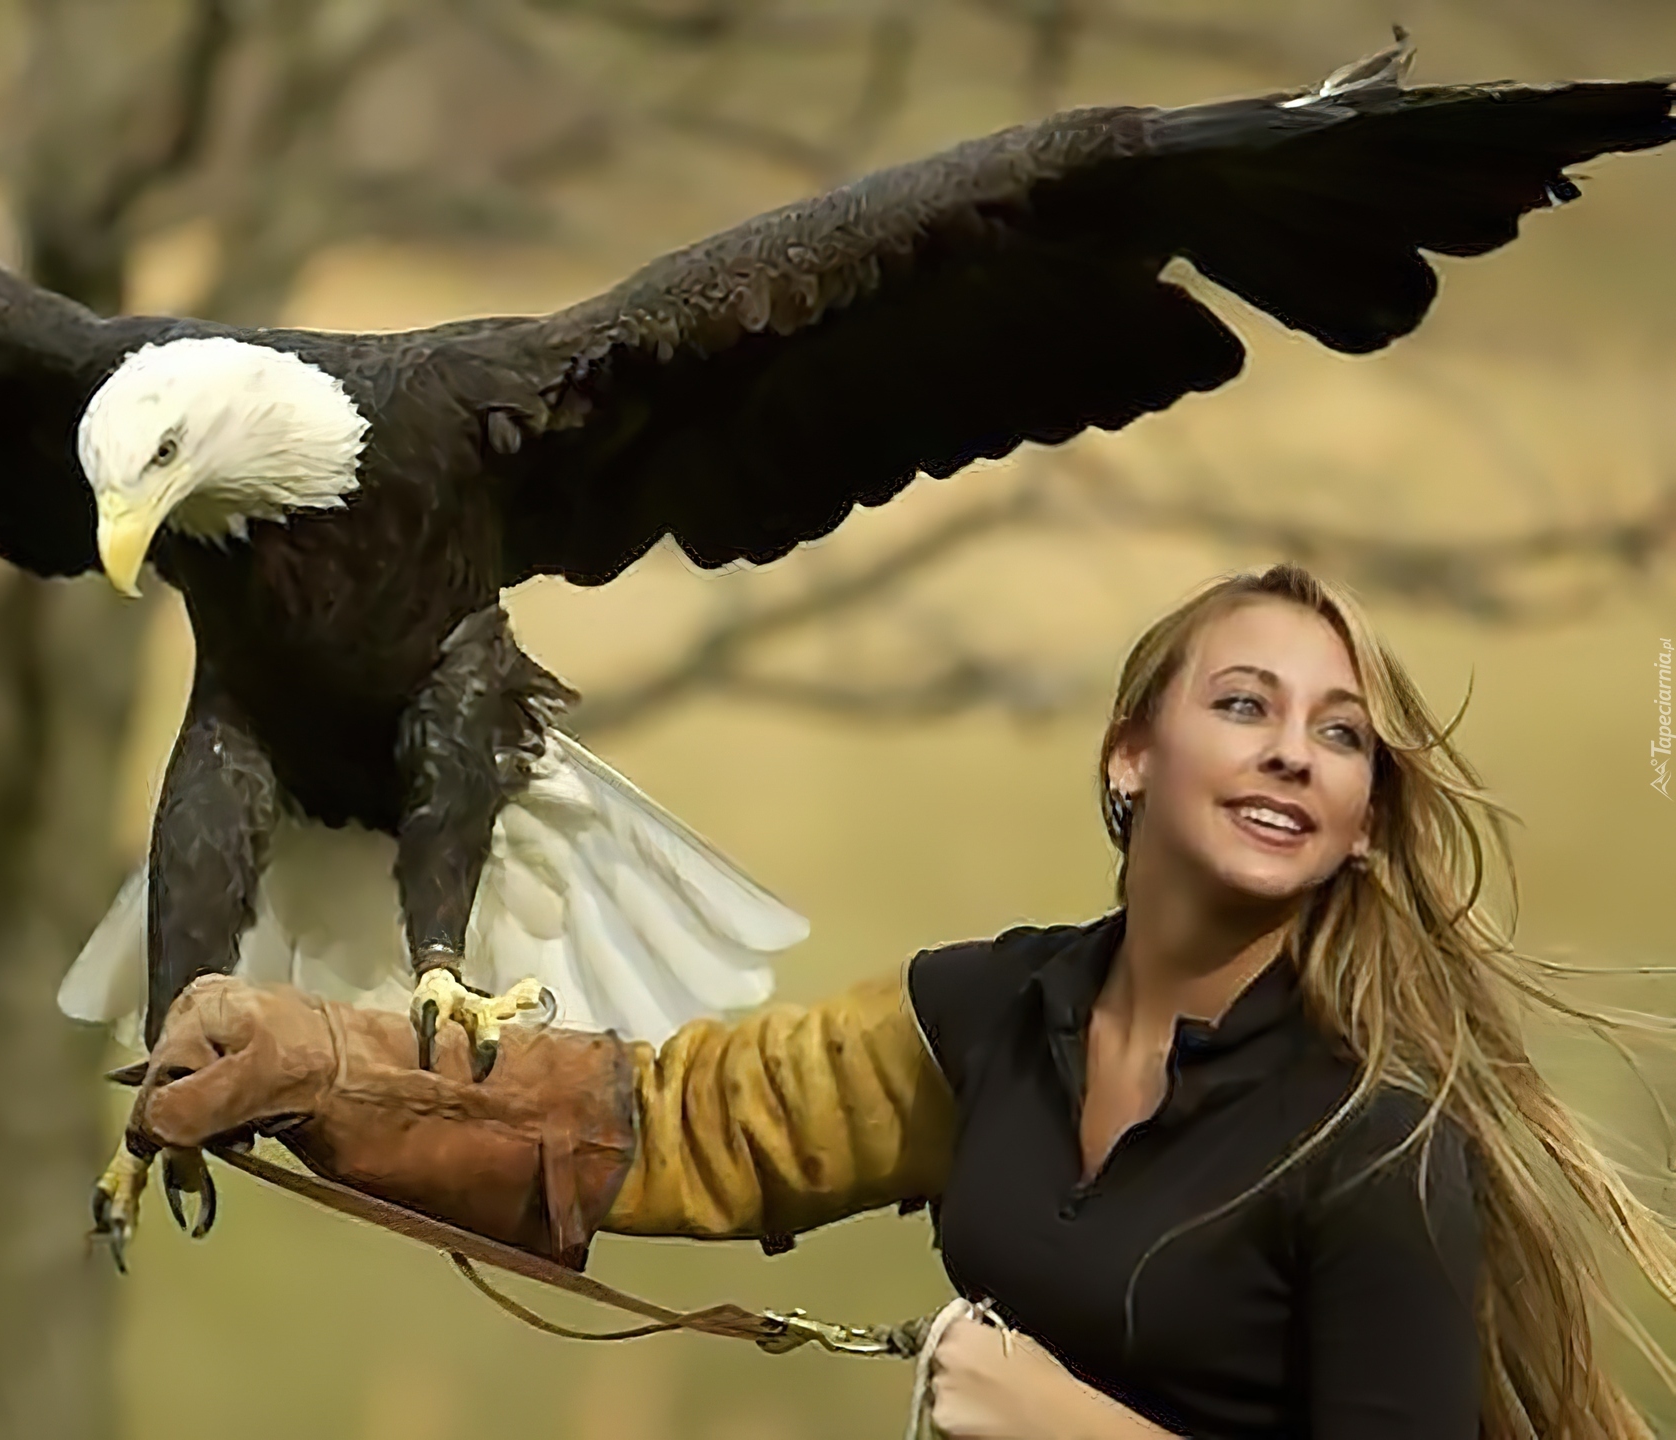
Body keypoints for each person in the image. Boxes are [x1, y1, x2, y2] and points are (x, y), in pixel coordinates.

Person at [124, 563, 1676, 1439]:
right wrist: (326, 1060)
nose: (1293, 752)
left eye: (1339, 737)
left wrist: (1061, 1426)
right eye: (1245, 705)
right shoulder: (997, 1012)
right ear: (1130, 755)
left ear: (1360, 814)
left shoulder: (1373, 1148)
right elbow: (675, 1126)